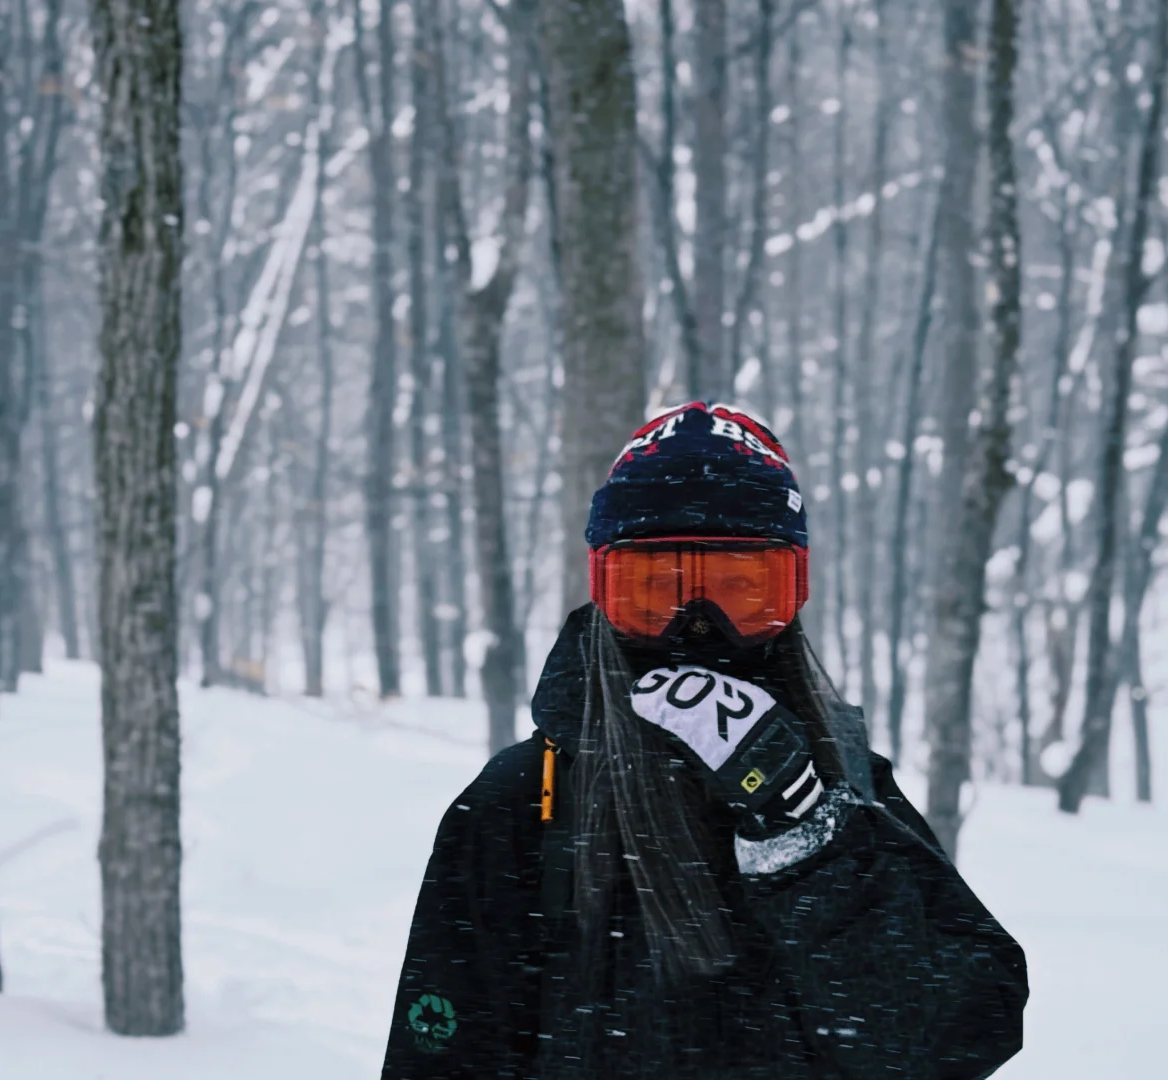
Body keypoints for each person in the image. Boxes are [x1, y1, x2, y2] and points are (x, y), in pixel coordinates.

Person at [380, 402, 1027, 1080]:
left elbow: (962, 1034)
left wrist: (803, 835)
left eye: (742, 591)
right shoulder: (524, 802)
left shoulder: (842, 787)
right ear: (602, 590)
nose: (696, 627)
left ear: (793, 591)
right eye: (653, 591)